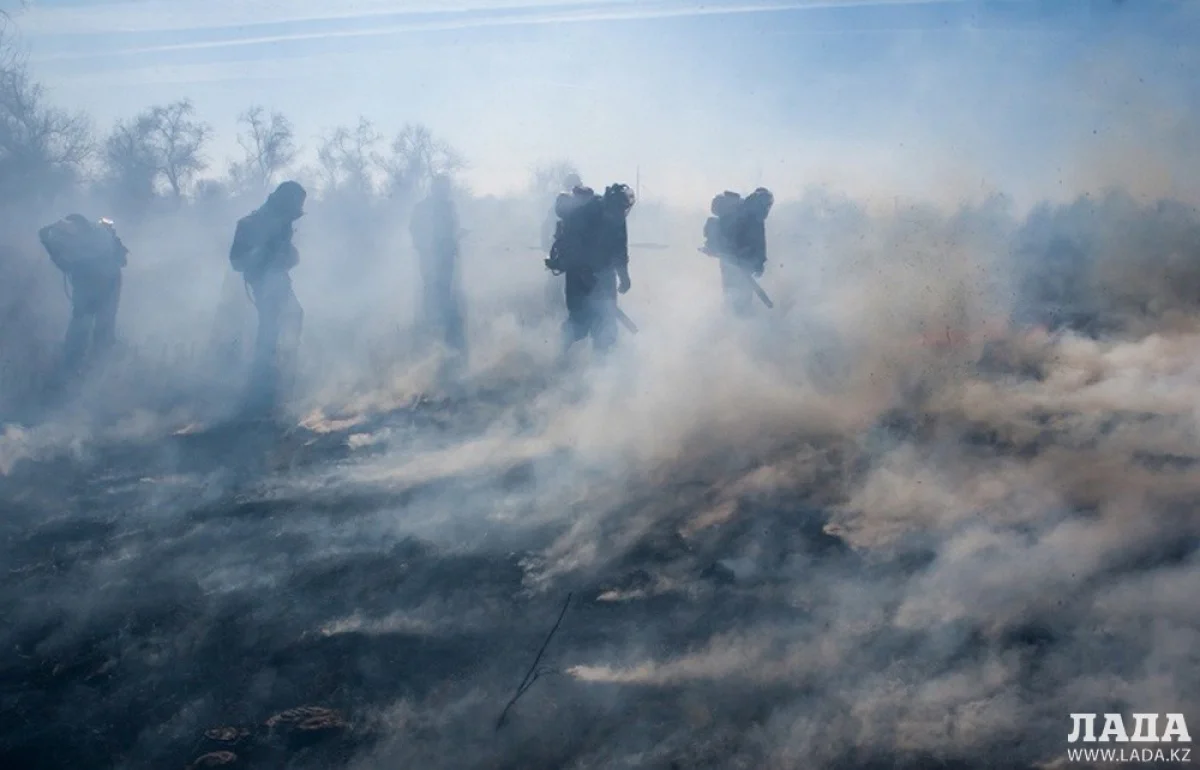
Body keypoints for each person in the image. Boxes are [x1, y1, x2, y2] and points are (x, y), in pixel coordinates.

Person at [228, 180, 306, 413]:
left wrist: (288, 256)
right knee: (270, 332)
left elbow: (286, 256)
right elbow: (237, 261)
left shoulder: (280, 221)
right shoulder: (251, 224)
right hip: (264, 285)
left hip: (278, 281)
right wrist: (265, 256)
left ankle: (281, 379)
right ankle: (263, 389)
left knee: (291, 319)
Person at [546, 182, 635, 356]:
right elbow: (573, 247)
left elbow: (620, 250)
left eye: (623, 209)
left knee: (606, 323)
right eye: (618, 209)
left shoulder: (618, 217)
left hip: (605, 274)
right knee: (579, 321)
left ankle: (602, 369)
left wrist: (624, 277)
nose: (620, 213)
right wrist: (583, 274)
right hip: (577, 276)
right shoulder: (584, 214)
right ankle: (557, 356)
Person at [38, 214, 129, 378]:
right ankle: (75, 363)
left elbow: (68, 264)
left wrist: (49, 243)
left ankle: (97, 366)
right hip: (87, 284)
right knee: (81, 324)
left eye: (70, 230)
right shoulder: (75, 237)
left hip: (106, 284)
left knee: (101, 323)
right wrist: (48, 239)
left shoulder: (98, 238)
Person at [410, 174, 468, 359]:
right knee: (431, 286)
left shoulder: (449, 207)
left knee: (447, 287)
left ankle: (448, 323)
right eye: (442, 187)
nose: (445, 190)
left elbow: (452, 229)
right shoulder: (423, 208)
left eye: (446, 187)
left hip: (447, 256)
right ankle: (431, 322)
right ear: (434, 188)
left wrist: (456, 238)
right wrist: (424, 247)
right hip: (431, 256)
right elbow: (415, 229)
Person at [706, 187, 773, 315]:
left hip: (731, 260)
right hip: (737, 262)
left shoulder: (743, 210)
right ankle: (737, 320)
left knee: (731, 293)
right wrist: (758, 263)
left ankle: (731, 318)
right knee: (738, 296)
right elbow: (758, 242)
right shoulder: (753, 216)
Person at [539, 172, 583, 316]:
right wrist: (547, 246)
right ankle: (555, 312)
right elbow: (546, 227)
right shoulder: (562, 205)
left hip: (574, 255)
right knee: (555, 285)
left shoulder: (583, 205)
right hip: (564, 252)